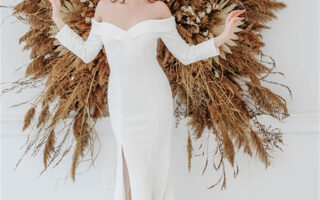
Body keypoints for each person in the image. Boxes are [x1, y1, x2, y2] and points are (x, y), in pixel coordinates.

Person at [48, 0, 245, 199]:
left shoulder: (158, 9)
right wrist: (57, 17)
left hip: (154, 100)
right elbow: (86, 53)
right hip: (122, 100)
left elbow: (185, 54)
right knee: (132, 168)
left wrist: (224, 36)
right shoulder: (104, 7)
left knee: (151, 171)